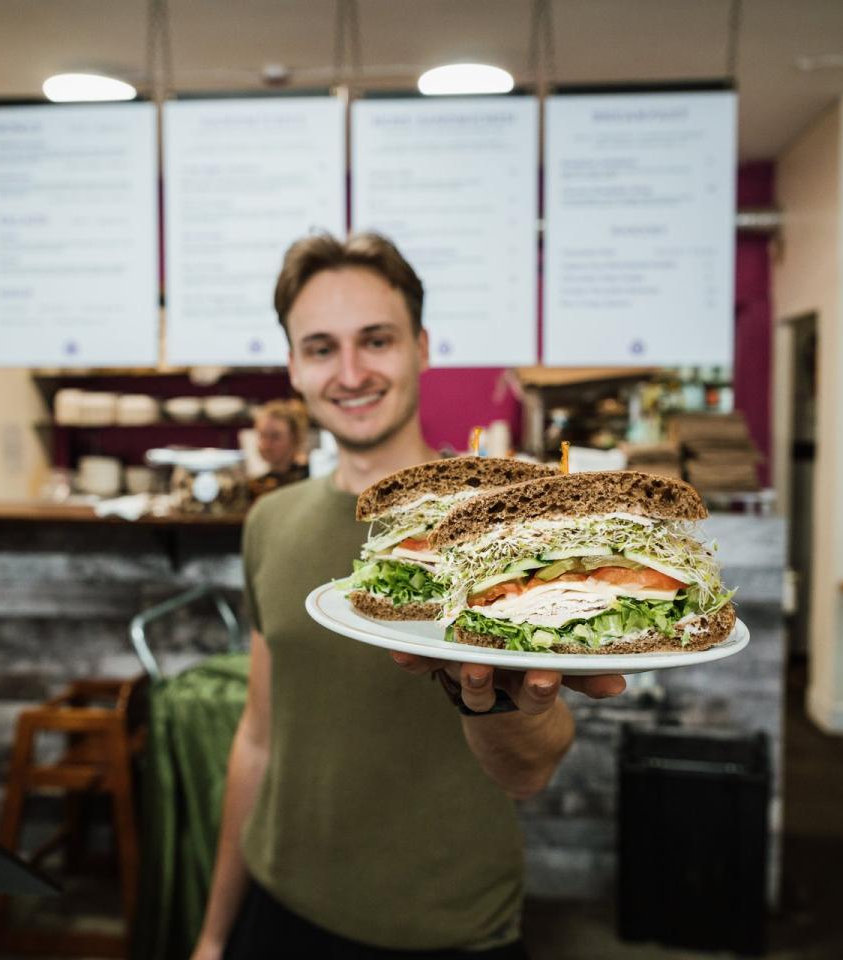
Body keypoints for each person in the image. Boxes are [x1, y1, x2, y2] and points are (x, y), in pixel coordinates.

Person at [191, 232, 626, 960]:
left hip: (447, 927)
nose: (352, 371)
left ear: (421, 348)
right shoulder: (270, 521)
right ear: (294, 366)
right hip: (278, 909)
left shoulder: (501, 523)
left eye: (377, 340)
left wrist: (503, 702)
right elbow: (259, 737)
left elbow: (533, 768)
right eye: (322, 347)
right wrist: (212, 933)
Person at [247, 398, 310, 498]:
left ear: (295, 438)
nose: (266, 445)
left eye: (275, 436)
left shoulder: (309, 480)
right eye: (262, 436)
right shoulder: (256, 485)